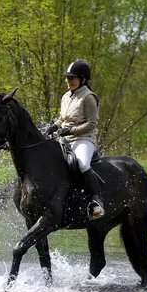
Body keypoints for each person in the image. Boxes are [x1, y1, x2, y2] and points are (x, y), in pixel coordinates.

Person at [47, 60, 105, 220]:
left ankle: (95, 200)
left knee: (82, 163)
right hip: (65, 139)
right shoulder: (66, 96)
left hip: (84, 139)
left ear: (83, 79)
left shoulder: (89, 98)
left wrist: (71, 130)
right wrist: (54, 126)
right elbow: (62, 118)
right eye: (68, 78)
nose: (69, 81)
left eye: (72, 78)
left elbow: (92, 123)